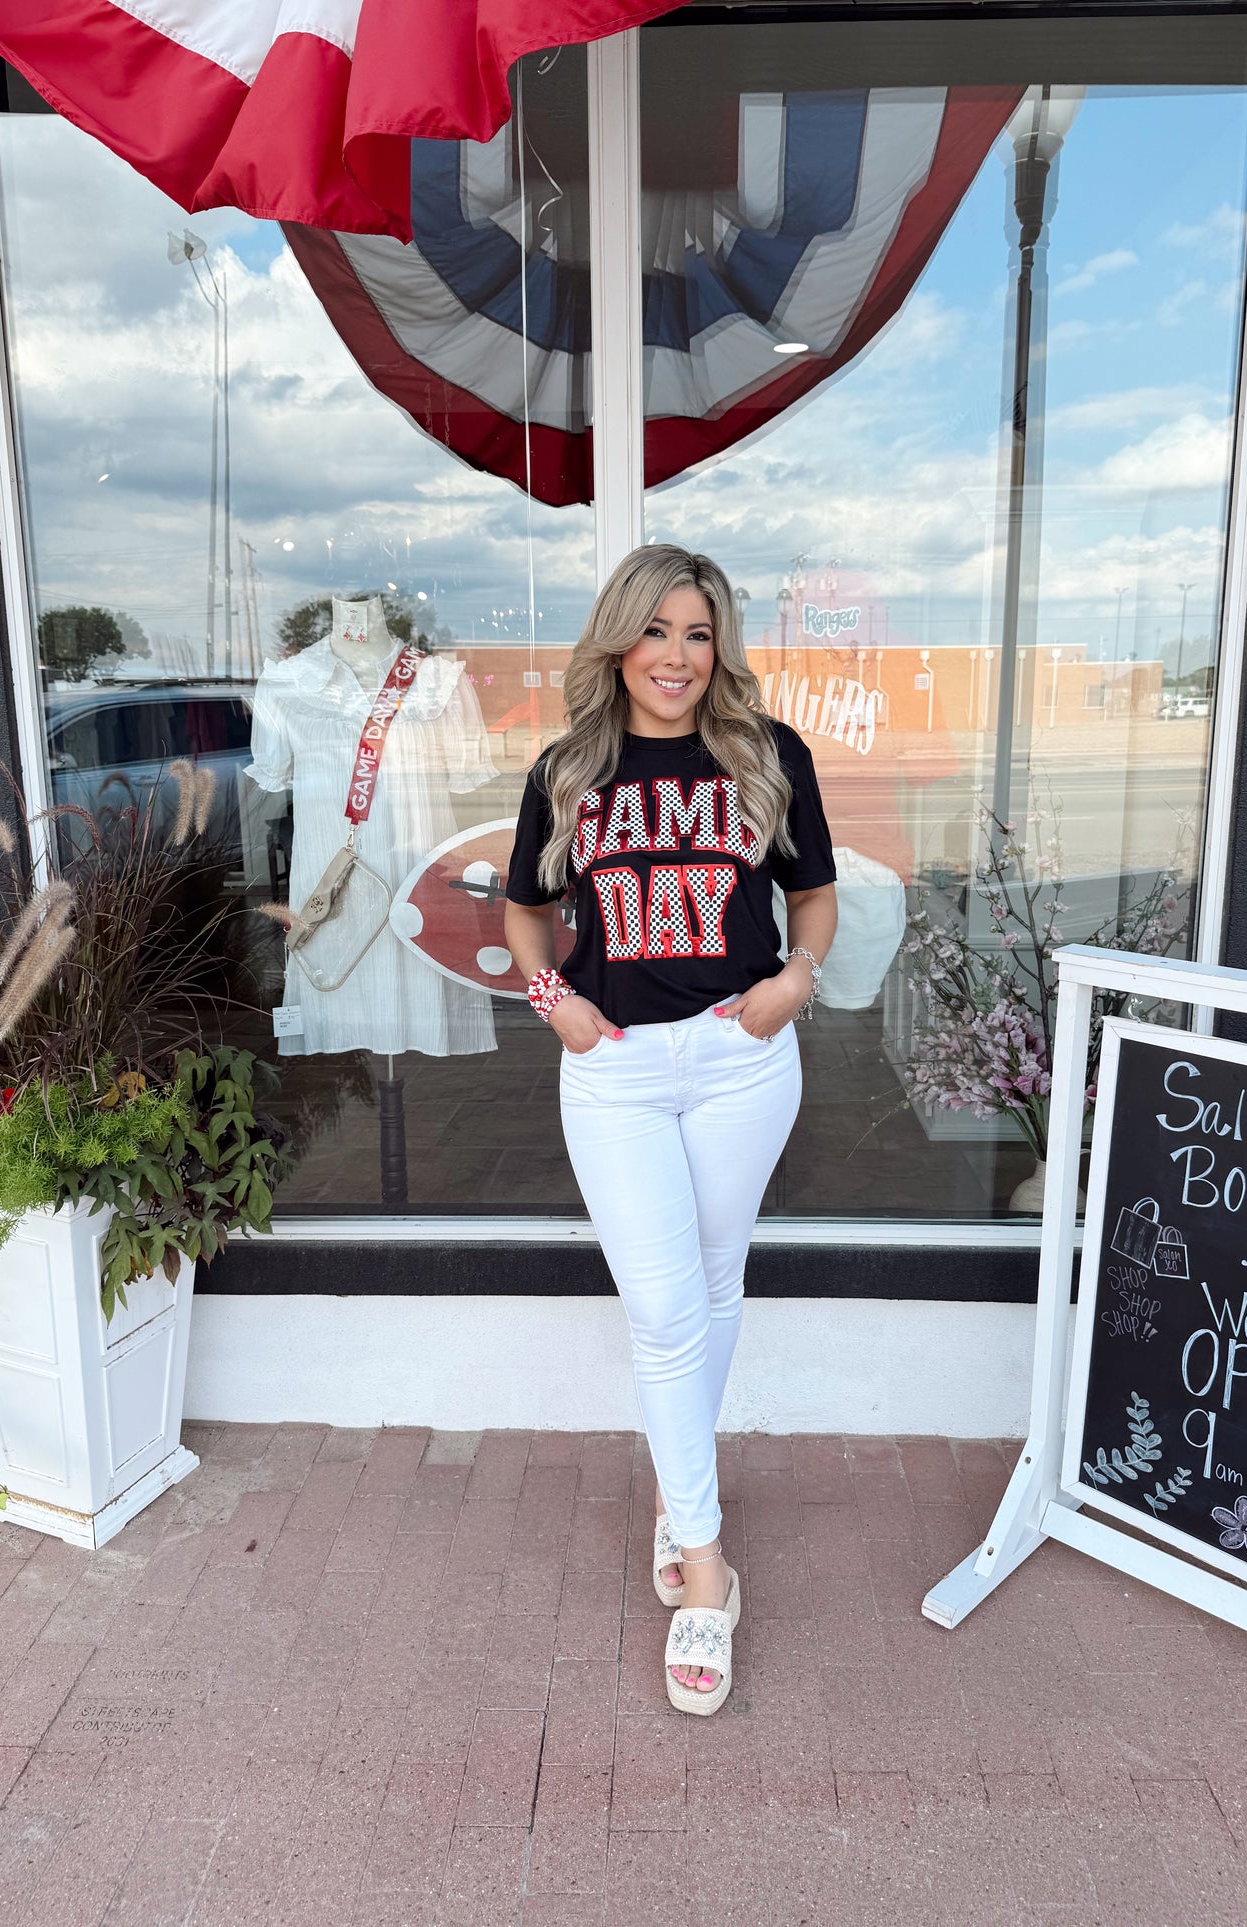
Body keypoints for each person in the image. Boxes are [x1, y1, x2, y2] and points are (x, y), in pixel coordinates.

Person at [505, 544, 837, 1716]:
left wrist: (797, 978)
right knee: (661, 1311)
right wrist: (556, 1006)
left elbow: (812, 893)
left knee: (709, 1278)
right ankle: (707, 1575)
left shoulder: (763, 753)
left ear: (718, 647)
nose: (677, 657)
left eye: (698, 634)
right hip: (617, 1071)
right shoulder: (568, 768)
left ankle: (674, 1503)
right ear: (618, 642)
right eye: (655, 632)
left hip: (741, 1056)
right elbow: (523, 912)